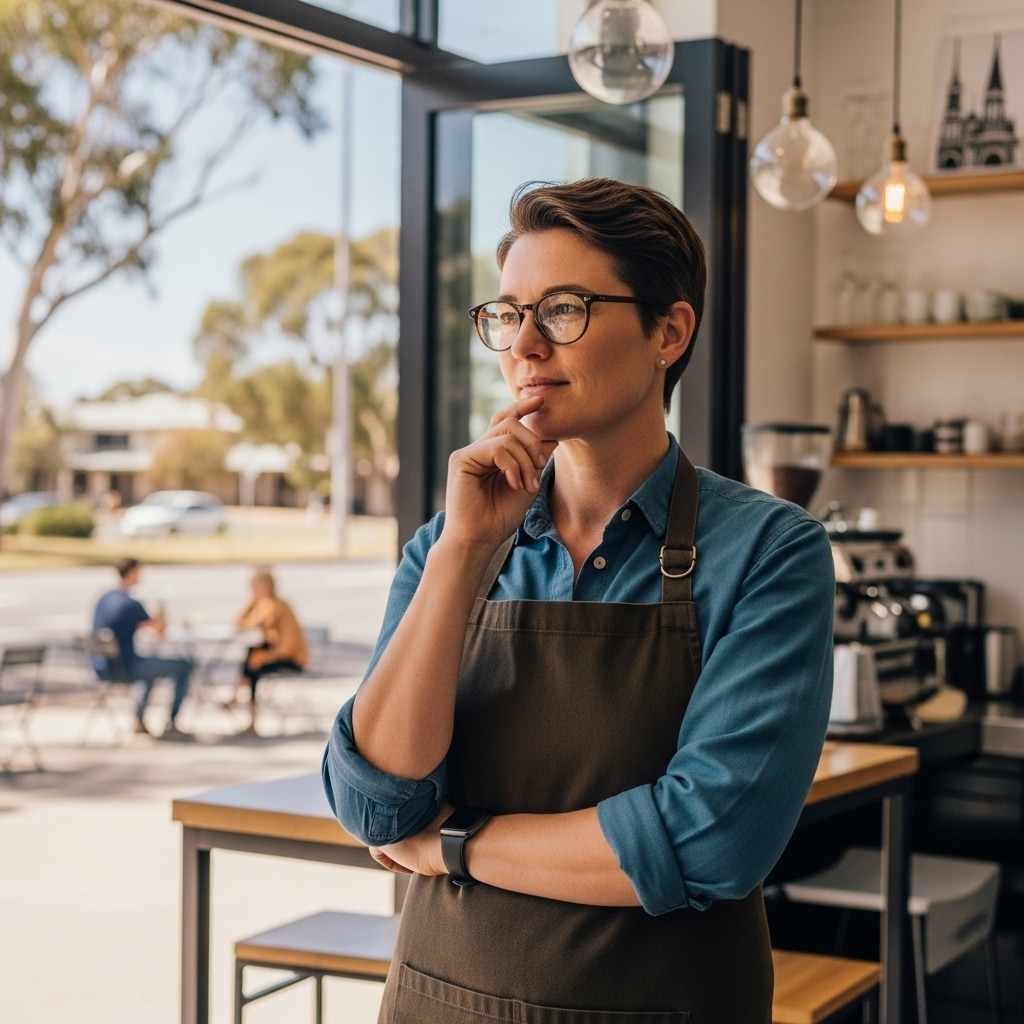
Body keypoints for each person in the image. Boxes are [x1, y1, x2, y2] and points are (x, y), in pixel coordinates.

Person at [322, 178, 835, 1022]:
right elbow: (377, 803)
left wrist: (451, 843)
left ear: (669, 332)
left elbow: (710, 839)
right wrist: (462, 552)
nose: (524, 345)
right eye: (508, 314)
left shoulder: (769, 552)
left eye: (563, 310)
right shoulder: (449, 543)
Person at [91, 557, 192, 739]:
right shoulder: (130, 604)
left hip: (101, 666)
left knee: (150, 664)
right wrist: (161, 603)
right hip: (124, 668)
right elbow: (160, 631)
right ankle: (172, 722)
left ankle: (139, 720)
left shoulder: (104, 598)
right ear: (132, 572)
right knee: (184, 666)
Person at [232, 567, 308, 735]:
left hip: (293, 659)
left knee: (254, 662)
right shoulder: (264, 605)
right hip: (277, 654)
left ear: (267, 586)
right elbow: (239, 624)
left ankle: (246, 711)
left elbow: (287, 647)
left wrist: (263, 658)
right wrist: (251, 602)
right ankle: (237, 698)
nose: (252, 590)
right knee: (252, 653)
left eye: (254, 586)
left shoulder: (280, 607)